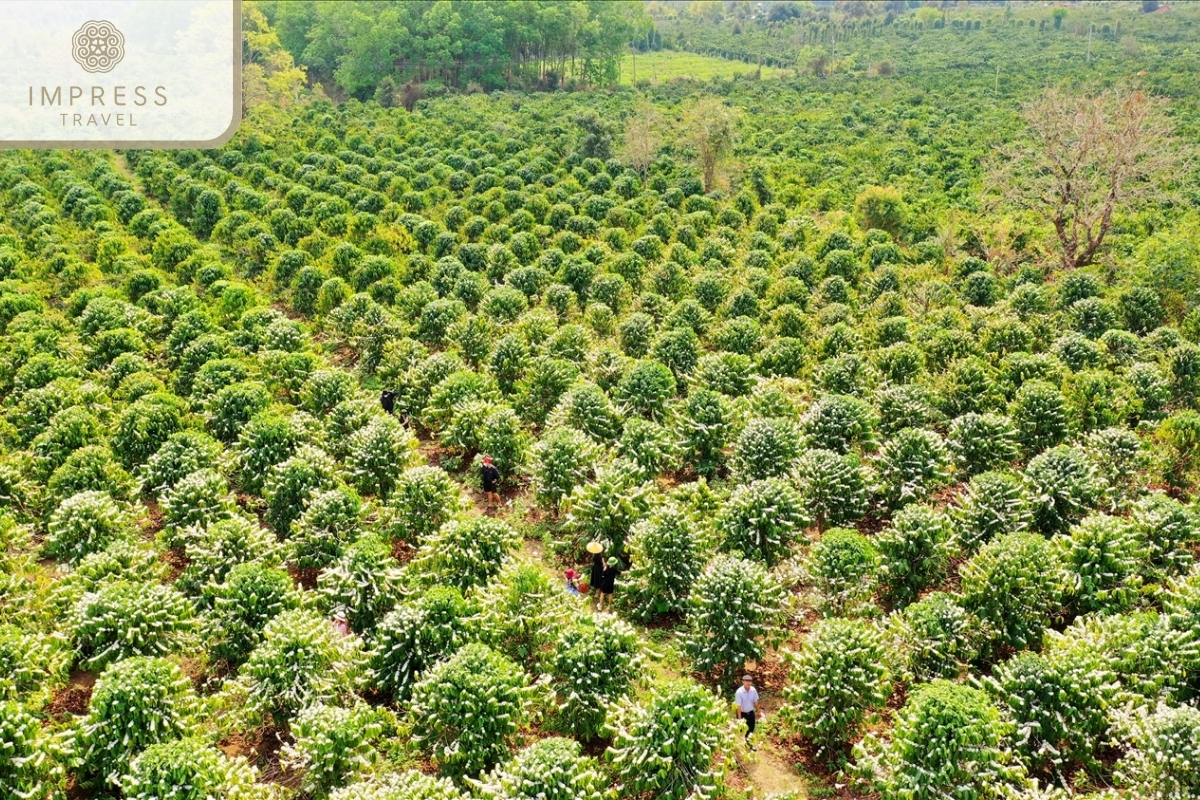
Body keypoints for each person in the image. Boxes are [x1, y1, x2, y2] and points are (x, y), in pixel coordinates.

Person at [735, 674, 760, 748]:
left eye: (749, 681)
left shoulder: (753, 690)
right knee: (740, 730)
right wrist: (739, 719)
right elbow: (738, 706)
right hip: (742, 714)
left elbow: (756, 702)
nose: (748, 683)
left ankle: (749, 744)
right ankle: (738, 744)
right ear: (743, 682)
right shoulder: (739, 692)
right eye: (746, 681)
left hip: (751, 713)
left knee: (751, 729)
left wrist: (759, 712)